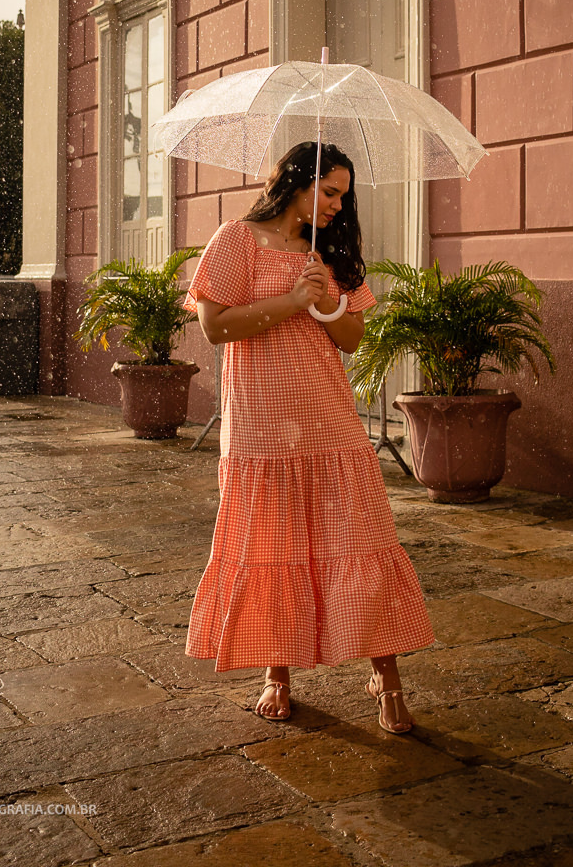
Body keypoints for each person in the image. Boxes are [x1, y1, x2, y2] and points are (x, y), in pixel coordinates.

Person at [183, 141, 434, 733]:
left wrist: (322, 304)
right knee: (274, 545)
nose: (335, 205)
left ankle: (387, 677)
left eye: (342, 196)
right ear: (295, 183)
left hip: (326, 415)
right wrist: (291, 300)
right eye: (328, 192)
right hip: (262, 425)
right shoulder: (236, 240)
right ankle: (278, 672)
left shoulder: (334, 251)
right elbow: (214, 327)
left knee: (362, 536)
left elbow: (352, 340)